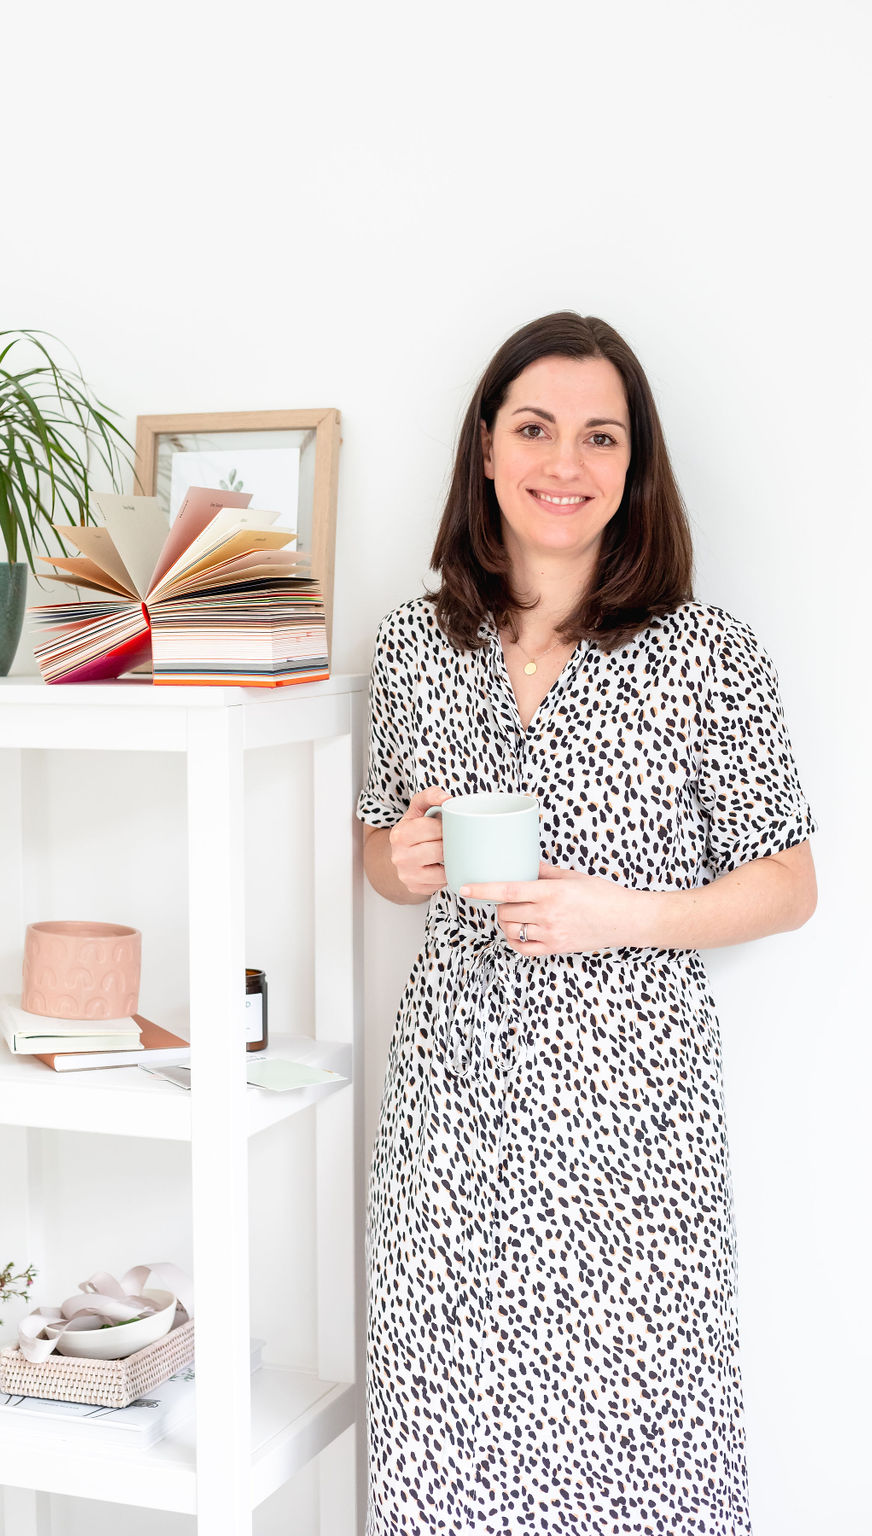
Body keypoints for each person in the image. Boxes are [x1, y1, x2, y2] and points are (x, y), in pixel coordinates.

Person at [356, 311, 817, 1536]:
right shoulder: (414, 644)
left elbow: (789, 884)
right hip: (451, 1109)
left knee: (636, 1444)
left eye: (599, 437)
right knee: (447, 1429)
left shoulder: (707, 656)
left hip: (629, 1126)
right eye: (536, 429)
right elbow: (378, 853)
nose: (566, 464)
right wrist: (399, 863)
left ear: (634, 467)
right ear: (489, 452)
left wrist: (630, 913)